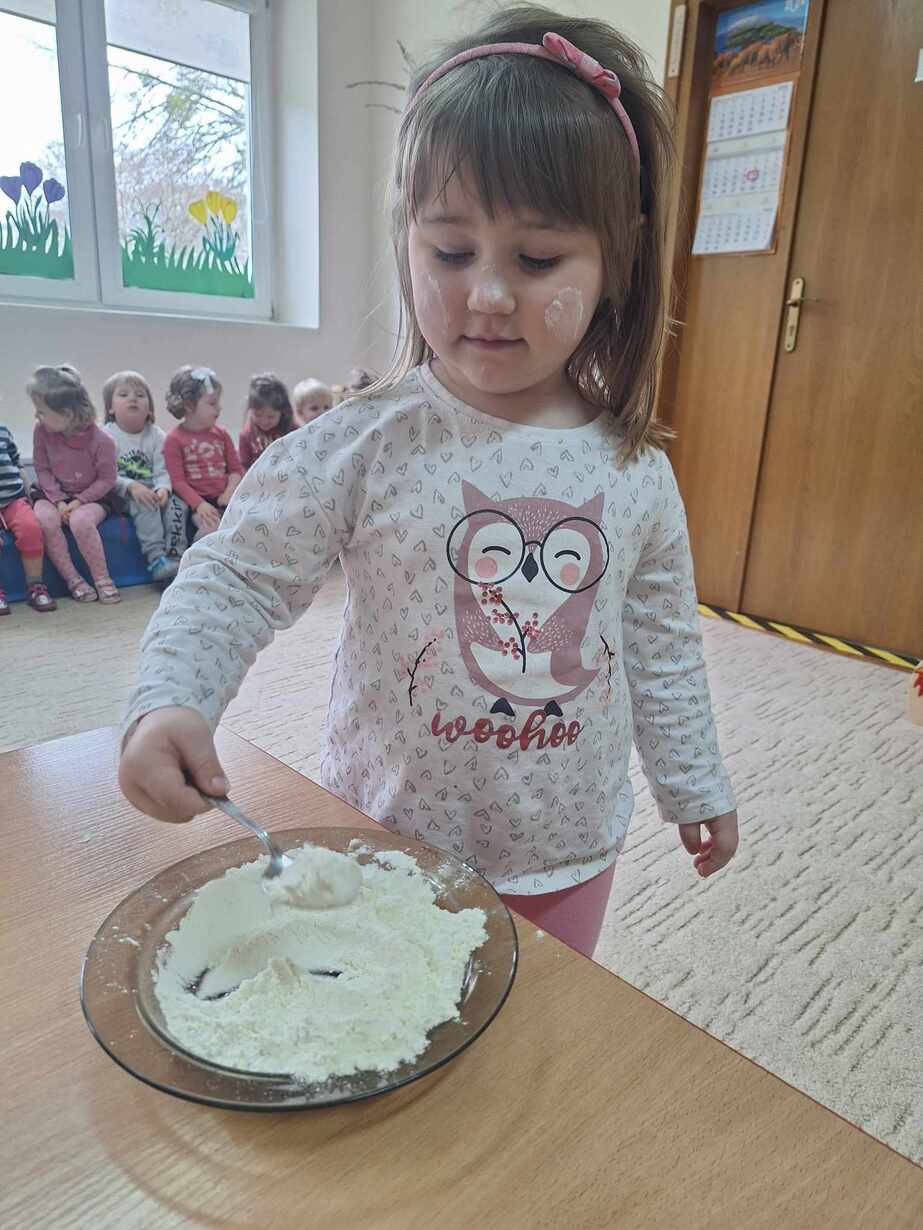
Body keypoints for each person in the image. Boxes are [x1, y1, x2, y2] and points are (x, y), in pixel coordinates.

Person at [119, 5, 739, 958]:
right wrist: (172, 697)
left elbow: (660, 646)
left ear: (615, 263)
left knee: (541, 1034)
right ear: (405, 239)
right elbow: (238, 573)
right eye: (450, 251)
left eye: (537, 260)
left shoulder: (633, 469)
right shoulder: (364, 441)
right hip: (384, 834)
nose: (486, 294)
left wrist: (692, 781)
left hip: (562, 854)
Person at [29, 364, 121, 604]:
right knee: (44, 520)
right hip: (52, 494)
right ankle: (73, 580)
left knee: (81, 521)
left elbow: (107, 480)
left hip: (93, 496)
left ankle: (102, 579)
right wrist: (59, 501)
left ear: (67, 414)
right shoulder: (41, 431)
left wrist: (79, 501)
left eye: (42, 411)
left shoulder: (102, 441)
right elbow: (42, 468)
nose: (37, 416)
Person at [103, 370, 183, 583]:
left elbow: (163, 470)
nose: (133, 398)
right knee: (145, 503)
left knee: (177, 504)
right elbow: (106, 475)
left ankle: (177, 556)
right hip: (122, 493)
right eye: (124, 394)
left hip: (152, 488)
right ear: (110, 408)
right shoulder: (106, 436)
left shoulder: (157, 435)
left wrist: (163, 488)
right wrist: (131, 486)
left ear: (149, 409)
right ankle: (157, 559)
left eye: (140, 395)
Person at [162, 366, 243, 541]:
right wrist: (199, 505)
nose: (219, 408)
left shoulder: (222, 435)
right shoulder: (174, 439)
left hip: (226, 498)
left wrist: (229, 492)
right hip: (199, 503)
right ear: (189, 405)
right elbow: (177, 481)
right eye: (212, 404)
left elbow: (236, 470)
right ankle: (198, 558)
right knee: (210, 531)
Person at [0, 423, 56, 614]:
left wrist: (30, 493)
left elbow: (17, 464)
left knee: (30, 528)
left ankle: (35, 586)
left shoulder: (3, 431)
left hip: (14, 499)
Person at [238, 373, 296, 470]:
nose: (264, 421)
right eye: (258, 415)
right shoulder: (247, 435)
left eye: (271, 417)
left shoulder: (292, 430)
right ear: (250, 410)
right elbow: (243, 466)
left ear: (283, 412)